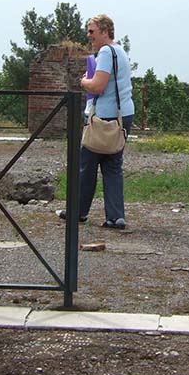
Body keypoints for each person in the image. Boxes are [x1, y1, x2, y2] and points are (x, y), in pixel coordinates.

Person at [58, 14, 134, 229]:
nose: (88, 35)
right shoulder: (120, 51)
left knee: (87, 164)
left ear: (104, 30)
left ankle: (78, 212)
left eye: (91, 31)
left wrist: (84, 81)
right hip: (123, 115)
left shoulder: (105, 53)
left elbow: (98, 86)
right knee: (112, 165)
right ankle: (116, 216)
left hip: (104, 116)